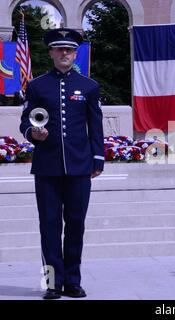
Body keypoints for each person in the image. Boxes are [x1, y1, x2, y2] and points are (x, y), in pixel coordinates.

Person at [19, 28, 104, 299]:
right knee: (49, 225)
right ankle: (52, 283)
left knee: (76, 224)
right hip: (46, 166)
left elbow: (96, 125)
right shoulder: (36, 86)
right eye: (59, 49)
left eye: (69, 49)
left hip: (80, 166)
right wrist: (32, 133)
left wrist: (98, 157)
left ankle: (72, 281)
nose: (64, 53)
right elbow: (25, 121)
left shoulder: (89, 86)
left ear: (75, 53)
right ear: (51, 53)